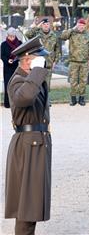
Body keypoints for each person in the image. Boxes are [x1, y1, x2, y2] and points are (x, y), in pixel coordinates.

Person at [5, 36, 51, 235]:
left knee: (32, 204)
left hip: (37, 143)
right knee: (26, 205)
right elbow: (25, 98)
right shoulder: (17, 80)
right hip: (27, 145)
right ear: (26, 60)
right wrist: (37, 71)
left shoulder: (30, 79)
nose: (44, 62)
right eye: (38, 59)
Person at [60, 18, 89, 106]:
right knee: (73, 81)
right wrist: (72, 28)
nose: (81, 27)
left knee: (83, 81)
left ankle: (81, 98)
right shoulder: (72, 33)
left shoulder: (88, 35)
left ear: (85, 26)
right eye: (79, 25)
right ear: (77, 25)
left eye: (83, 25)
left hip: (84, 62)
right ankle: (73, 99)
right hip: (73, 61)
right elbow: (63, 36)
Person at [25, 18, 61, 89]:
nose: (46, 26)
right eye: (44, 24)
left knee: (47, 85)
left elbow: (57, 49)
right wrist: (37, 27)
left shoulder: (54, 35)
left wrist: (55, 61)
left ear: (49, 25)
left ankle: (46, 99)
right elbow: (27, 34)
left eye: (47, 24)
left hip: (49, 63)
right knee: (37, 84)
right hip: (38, 63)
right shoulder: (36, 33)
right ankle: (38, 99)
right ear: (41, 25)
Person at [1, 27, 22, 108]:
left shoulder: (19, 43)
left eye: (13, 36)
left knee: (18, 84)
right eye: (10, 36)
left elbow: (22, 53)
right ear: (7, 36)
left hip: (18, 66)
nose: (12, 38)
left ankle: (17, 103)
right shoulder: (3, 44)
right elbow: (2, 55)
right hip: (8, 68)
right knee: (8, 85)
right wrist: (7, 60)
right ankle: (7, 103)